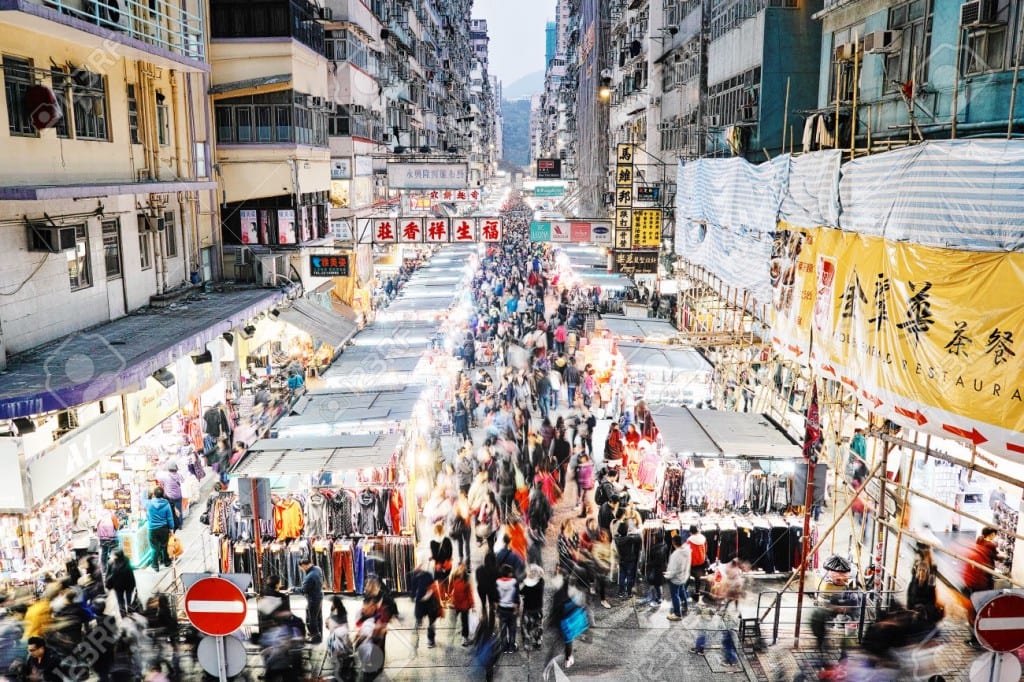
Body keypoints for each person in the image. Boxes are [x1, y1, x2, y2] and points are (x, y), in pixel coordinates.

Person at [963, 526, 999, 647]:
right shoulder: (990, 547)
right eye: (995, 534)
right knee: (981, 612)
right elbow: (992, 561)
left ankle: (974, 637)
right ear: (992, 534)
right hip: (981, 585)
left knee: (973, 613)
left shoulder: (978, 544)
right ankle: (978, 638)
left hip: (972, 584)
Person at [906, 544, 943, 625]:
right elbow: (910, 596)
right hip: (915, 606)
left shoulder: (930, 579)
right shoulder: (914, 579)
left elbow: (932, 598)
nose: (921, 573)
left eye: (923, 571)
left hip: (925, 606)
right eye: (920, 571)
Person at [409, 563, 441, 649]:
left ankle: (431, 640)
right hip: (420, 603)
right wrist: (412, 597)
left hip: (430, 602)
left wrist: (429, 594)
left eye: (419, 566)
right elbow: (413, 589)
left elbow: (433, 587)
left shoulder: (428, 575)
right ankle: (415, 640)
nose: (418, 568)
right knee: (418, 622)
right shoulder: (415, 577)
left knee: (431, 622)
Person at [146, 487, 175, 570]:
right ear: (163, 495)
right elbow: (169, 517)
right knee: (164, 545)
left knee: (154, 547)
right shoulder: (166, 504)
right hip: (163, 528)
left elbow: (147, 515)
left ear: (154, 495)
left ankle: (155, 565)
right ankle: (166, 562)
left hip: (152, 529)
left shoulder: (150, 504)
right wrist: (171, 527)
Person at [640, 530, 669, 608]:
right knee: (656, 584)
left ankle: (659, 599)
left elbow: (656, 561)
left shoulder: (657, 549)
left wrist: (648, 564)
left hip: (656, 569)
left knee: (657, 584)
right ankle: (656, 598)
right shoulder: (664, 545)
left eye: (654, 537)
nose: (653, 538)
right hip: (659, 569)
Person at [665, 534, 691, 621]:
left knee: (675, 595)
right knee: (682, 591)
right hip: (684, 576)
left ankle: (677, 614)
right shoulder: (687, 551)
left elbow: (673, 570)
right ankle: (685, 607)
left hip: (676, 579)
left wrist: (667, 576)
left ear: (673, 543)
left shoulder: (675, 555)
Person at [105, 549, 138, 616]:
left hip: (118, 586)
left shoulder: (111, 563)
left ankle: (123, 614)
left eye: (112, 555)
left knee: (120, 601)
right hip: (129, 584)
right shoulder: (126, 560)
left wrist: (108, 585)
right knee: (128, 600)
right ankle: (130, 611)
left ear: (116, 556)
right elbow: (130, 573)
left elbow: (108, 575)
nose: (111, 556)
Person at [449, 563, 475, 647]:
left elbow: (469, 593)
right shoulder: (454, 576)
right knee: (453, 621)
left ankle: (464, 637)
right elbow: (450, 587)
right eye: (460, 567)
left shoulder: (466, 579)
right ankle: (452, 635)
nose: (461, 569)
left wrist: (472, 604)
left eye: (463, 567)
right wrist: (449, 597)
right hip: (456, 603)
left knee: (465, 622)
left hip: (464, 604)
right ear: (458, 568)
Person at [299, 557, 324, 644]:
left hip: (313, 599)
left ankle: (315, 637)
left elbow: (303, 590)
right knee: (318, 617)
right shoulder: (317, 568)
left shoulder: (310, 576)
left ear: (304, 566)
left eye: (302, 568)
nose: (302, 569)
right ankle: (319, 635)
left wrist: (293, 589)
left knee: (311, 618)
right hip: (319, 596)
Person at [496, 564, 520, 653]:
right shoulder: (514, 582)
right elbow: (516, 597)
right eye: (511, 572)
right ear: (509, 573)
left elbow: (496, 597)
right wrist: (517, 608)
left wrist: (497, 608)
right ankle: (511, 646)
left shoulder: (498, 582)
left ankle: (504, 647)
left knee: (503, 629)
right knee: (512, 629)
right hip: (511, 609)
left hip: (502, 608)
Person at [614, 521, 641, 599]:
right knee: (630, 577)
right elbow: (638, 538)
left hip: (621, 559)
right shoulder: (629, 539)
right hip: (630, 560)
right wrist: (634, 533)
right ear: (626, 530)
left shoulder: (616, 538)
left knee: (622, 576)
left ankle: (621, 592)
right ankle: (629, 592)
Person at [520, 564, 545, 650]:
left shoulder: (527, 586)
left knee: (526, 627)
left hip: (528, 609)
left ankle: (527, 645)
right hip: (538, 609)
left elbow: (521, 592)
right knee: (538, 626)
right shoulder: (541, 582)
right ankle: (537, 643)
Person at [156, 463, 185, 530]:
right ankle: (180, 524)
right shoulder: (179, 475)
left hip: (170, 496)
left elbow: (158, 478)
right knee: (179, 509)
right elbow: (183, 481)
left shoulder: (166, 476)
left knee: (171, 510)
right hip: (178, 495)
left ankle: (173, 525)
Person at [476, 551, 499, 631]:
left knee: (483, 604)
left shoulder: (479, 570)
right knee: (492, 606)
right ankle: (491, 626)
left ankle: (484, 619)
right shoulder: (496, 571)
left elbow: (478, 580)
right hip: (491, 590)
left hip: (481, 589)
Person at [685, 525, 708, 604]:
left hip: (692, 562)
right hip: (701, 561)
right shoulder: (703, 538)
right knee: (698, 578)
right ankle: (697, 594)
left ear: (691, 532)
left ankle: (684, 592)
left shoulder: (689, 540)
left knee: (687, 576)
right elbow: (706, 549)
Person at [95, 509, 120, 575]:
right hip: (112, 538)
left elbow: (96, 527)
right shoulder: (112, 516)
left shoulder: (100, 516)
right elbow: (117, 527)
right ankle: (116, 569)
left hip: (102, 538)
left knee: (104, 553)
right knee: (115, 553)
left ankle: (104, 570)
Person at [574, 452, 595, 518]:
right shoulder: (582, 467)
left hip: (587, 485)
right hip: (586, 485)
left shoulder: (585, 467)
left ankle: (584, 513)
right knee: (586, 499)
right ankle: (589, 510)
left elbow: (586, 477)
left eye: (582, 458)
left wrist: (591, 482)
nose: (580, 459)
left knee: (585, 499)